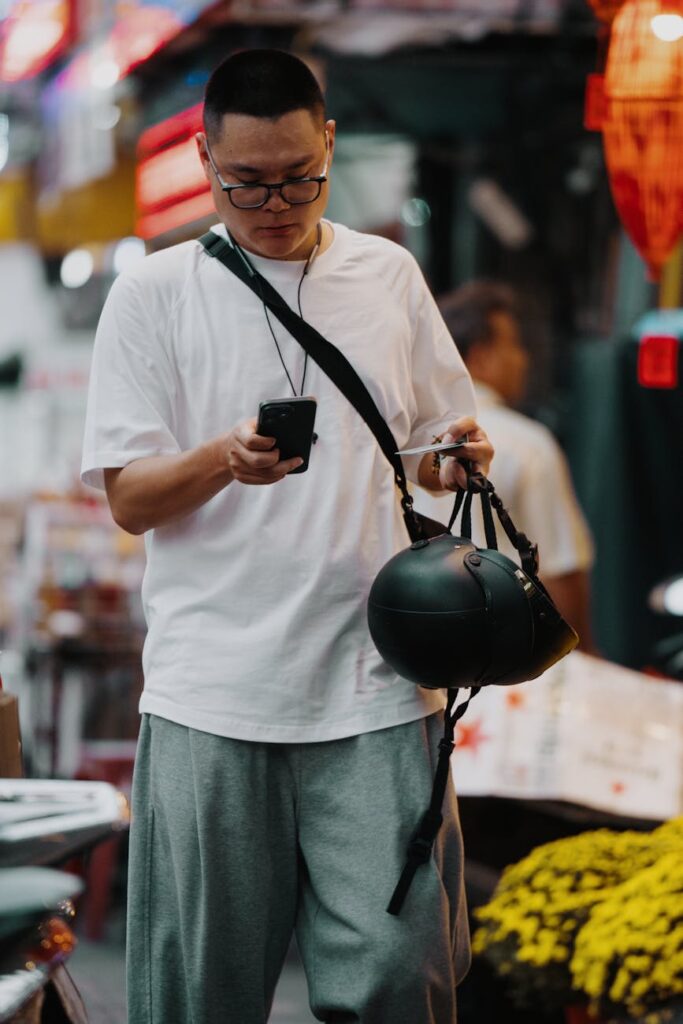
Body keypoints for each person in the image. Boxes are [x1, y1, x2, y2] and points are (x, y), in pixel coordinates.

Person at [81, 49, 493, 1024]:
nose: (277, 200)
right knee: (198, 992)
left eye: (300, 175)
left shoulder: (386, 273)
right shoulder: (154, 293)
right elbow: (131, 498)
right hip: (213, 694)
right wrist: (224, 456)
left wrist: (456, 455)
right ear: (203, 156)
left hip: (378, 685)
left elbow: (432, 447)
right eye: (246, 182)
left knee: (400, 975)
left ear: (330, 145)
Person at [413, 280, 595, 650]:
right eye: (513, 345)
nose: (522, 359)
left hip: (426, 648)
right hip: (511, 654)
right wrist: (584, 651)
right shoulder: (528, 442)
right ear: (480, 356)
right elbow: (560, 567)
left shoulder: (407, 441)